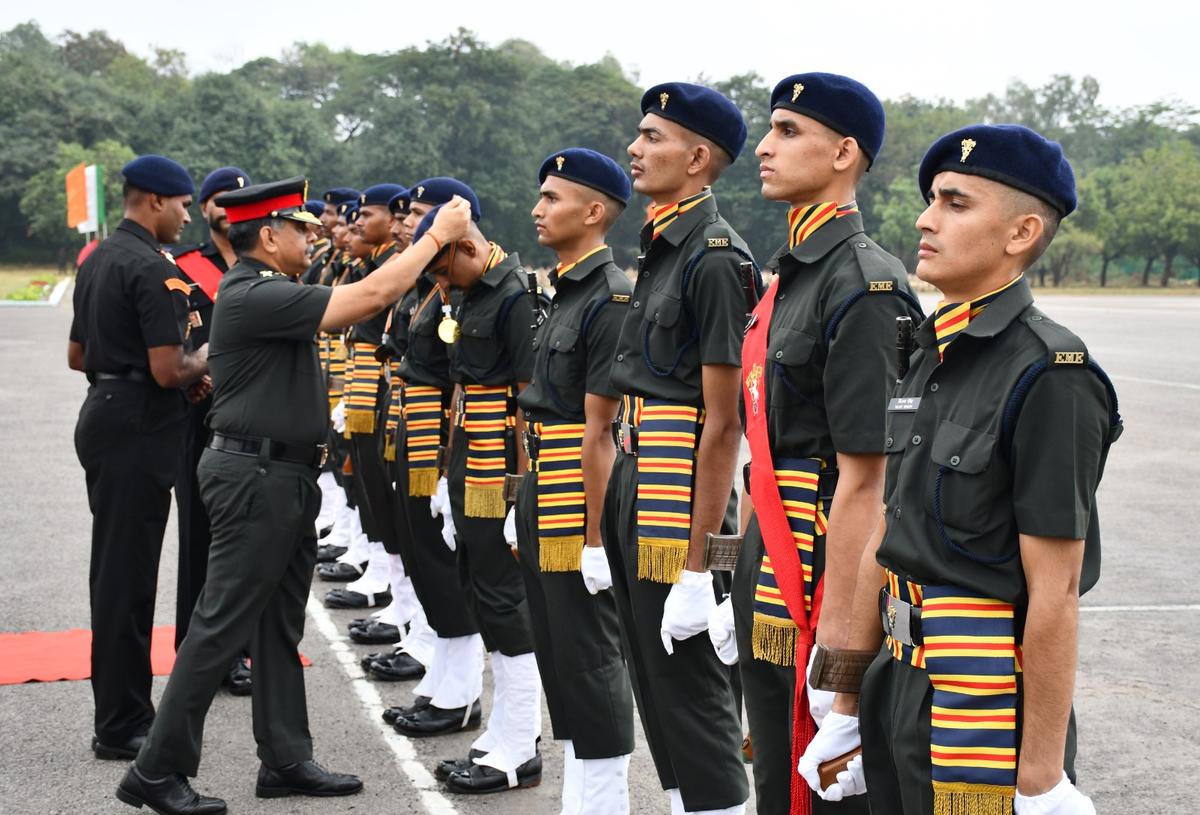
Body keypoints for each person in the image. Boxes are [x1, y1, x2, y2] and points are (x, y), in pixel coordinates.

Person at [116, 178, 474, 815]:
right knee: (219, 625)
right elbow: (373, 294)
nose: (312, 237)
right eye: (300, 229)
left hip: (278, 477)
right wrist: (436, 236)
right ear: (269, 236)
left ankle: (284, 757)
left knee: (277, 625)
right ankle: (157, 769)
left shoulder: (268, 290)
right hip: (256, 478)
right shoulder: (255, 292)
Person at [800, 125, 1121, 815]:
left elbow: (1056, 589)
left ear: (1020, 232)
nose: (925, 218)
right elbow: (883, 537)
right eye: (930, 200)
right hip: (896, 681)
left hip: (978, 705)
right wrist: (848, 702)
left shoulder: (1051, 374)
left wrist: (1039, 776)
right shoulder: (927, 351)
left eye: (955, 202)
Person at [709, 73, 924, 815]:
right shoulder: (794, 275)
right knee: (774, 785)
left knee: (823, 798)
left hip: (820, 589)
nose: (764, 147)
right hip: (767, 575)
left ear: (844, 153)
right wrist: (724, 573)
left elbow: (870, 483)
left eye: (788, 131)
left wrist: (841, 672)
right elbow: (759, 448)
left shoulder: (864, 285)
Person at [603, 82, 751, 815]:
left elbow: (723, 423)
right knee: (651, 675)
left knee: (691, 685)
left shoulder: (716, 256)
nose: (635, 147)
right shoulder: (663, 243)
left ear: (698, 158)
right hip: (638, 474)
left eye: (653, 136)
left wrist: (700, 563)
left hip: (678, 498)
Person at [396, 201, 545, 795]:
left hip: (500, 477)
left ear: (462, 247)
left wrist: (522, 497)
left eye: (439, 268)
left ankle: (520, 740)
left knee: (506, 605)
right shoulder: (467, 294)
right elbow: (458, 391)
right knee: (480, 594)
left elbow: (531, 405)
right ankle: (506, 727)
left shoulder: (514, 296)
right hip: (468, 471)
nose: (436, 283)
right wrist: (443, 477)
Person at [68, 154, 210, 762]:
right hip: (138, 425)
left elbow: (78, 355)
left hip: (105, 407)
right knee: (128, 580)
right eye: (181, 206)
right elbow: (167, 367)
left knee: (117, 572)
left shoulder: (99, 258)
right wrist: (207, 363)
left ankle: (122, 711)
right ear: (154, 200)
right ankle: (122, 722)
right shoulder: (154, 268)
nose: (186, 217)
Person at [516, 148, 636, 813]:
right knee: (560, 651)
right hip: (546, 489)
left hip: (578, 502)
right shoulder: (565, 289)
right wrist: (520, 497)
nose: (538, 208)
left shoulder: (611, 296)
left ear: (593, 212)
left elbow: (603, 431)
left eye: (553, 198)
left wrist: (597, 536)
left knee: (589, 656)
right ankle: (583, 795)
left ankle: (605, 800)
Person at [171, 166, 254, 697]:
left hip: (250, 413)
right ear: (203, 207)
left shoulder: (263, 267)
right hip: (198, 418)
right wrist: (189, 380)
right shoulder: (182, 267)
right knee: (199, 537)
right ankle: (193, 649)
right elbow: (169, 342)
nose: (228, 208)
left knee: (245, 541)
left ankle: (237, 651)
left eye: (238, 200)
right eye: (219, 199)